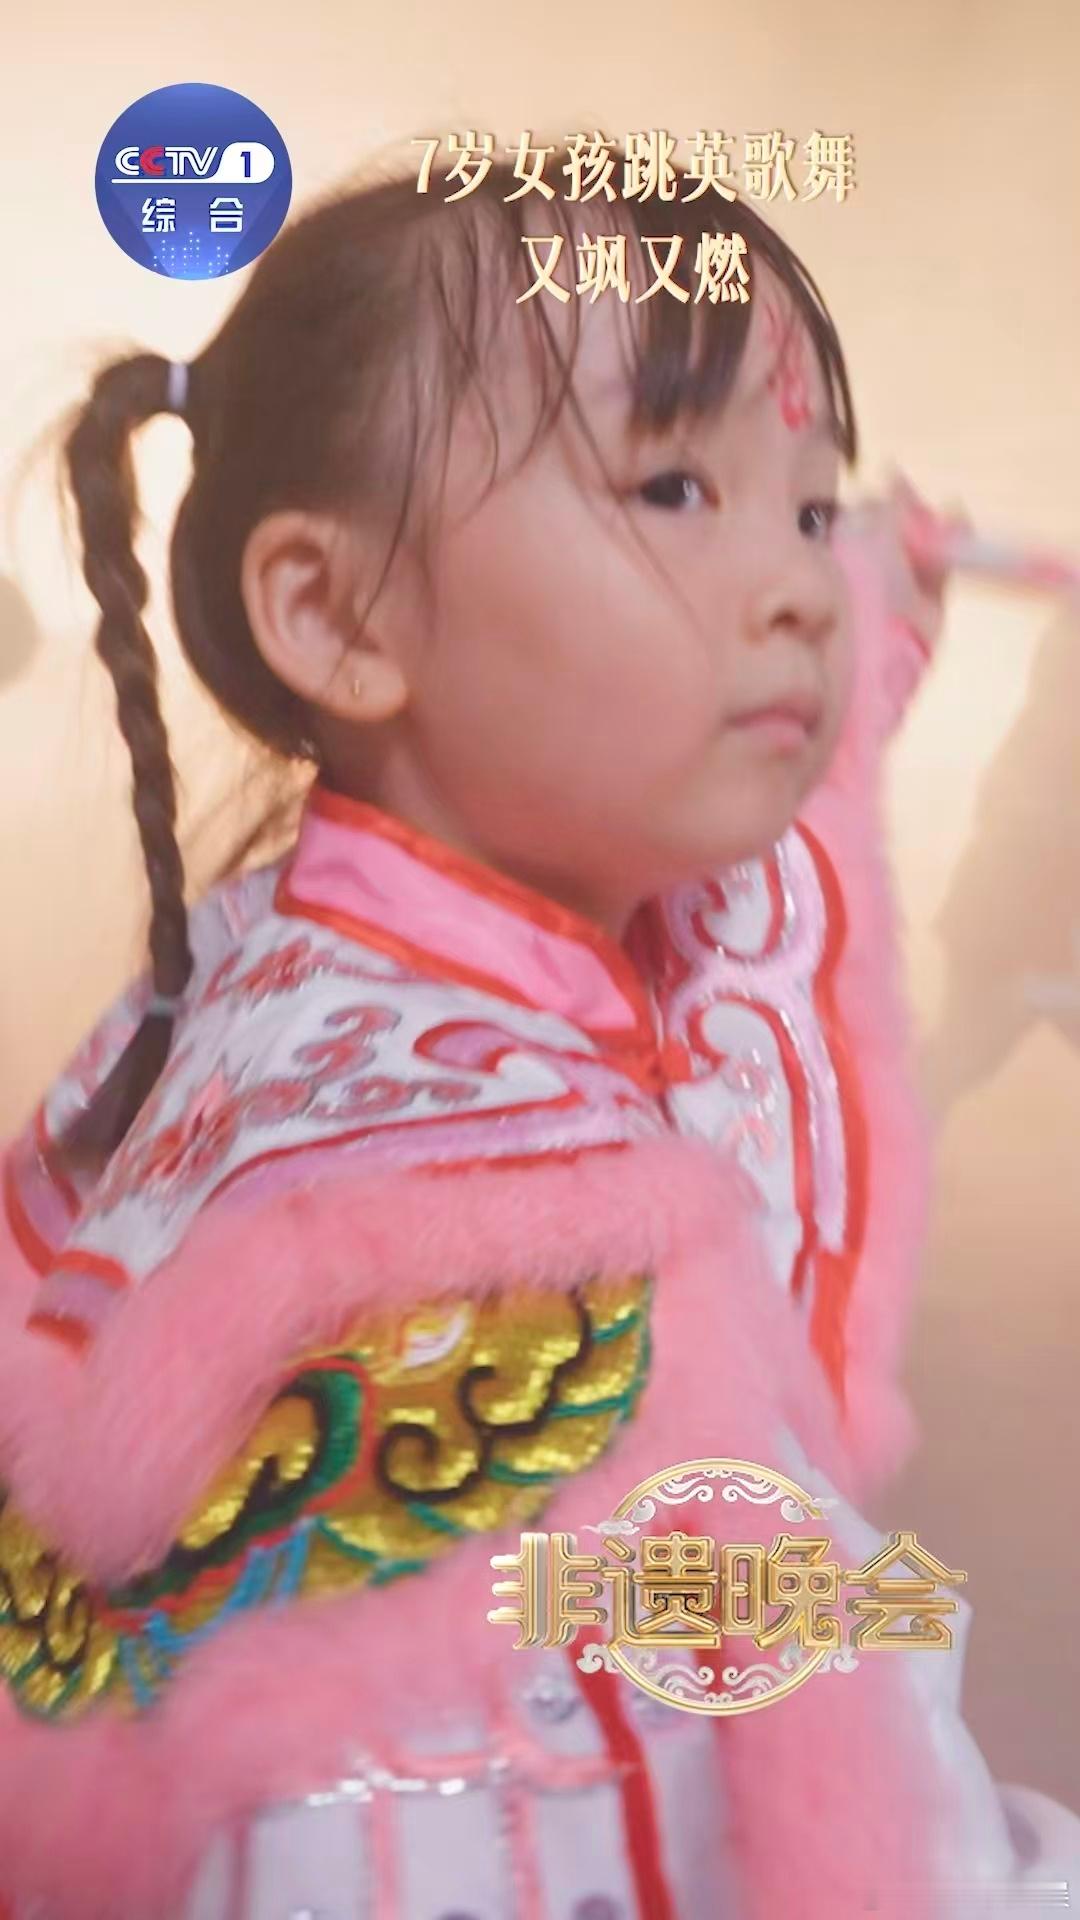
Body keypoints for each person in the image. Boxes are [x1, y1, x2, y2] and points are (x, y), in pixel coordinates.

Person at [0, 147, 1076, 1920]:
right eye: (673, 487)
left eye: (814, 512)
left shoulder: (292, 980)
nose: (807, 587)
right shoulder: (490, 1258)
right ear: (337, 613)